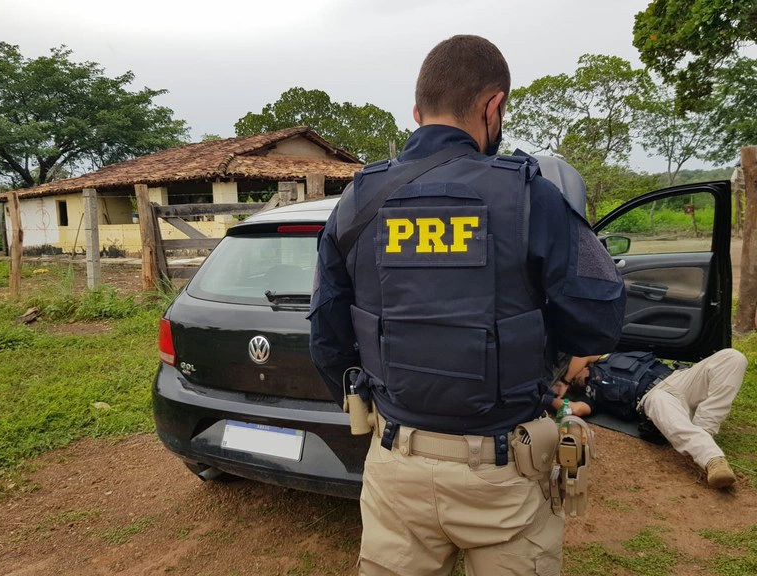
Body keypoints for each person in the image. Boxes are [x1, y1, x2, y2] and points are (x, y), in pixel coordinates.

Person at [309, 35, 626, 576]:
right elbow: (599, 323)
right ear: (493, 106)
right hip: (505, 473)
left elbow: (327, 339)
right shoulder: (531, 195)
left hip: (396, 465)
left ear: (417, 111)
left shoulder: (358, 199)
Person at [549, 348, 746, 489]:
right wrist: (551, 397)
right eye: (572, 380)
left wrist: (565, 379)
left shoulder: (603, 357)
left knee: (733, 358)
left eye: (572, 373)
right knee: (659, 400)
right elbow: (572, 410)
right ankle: (713, 459)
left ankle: (703, 430)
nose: (574, 378)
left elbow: (581, 354)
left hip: (679, 379)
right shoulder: (590, 396)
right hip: (652, 397)